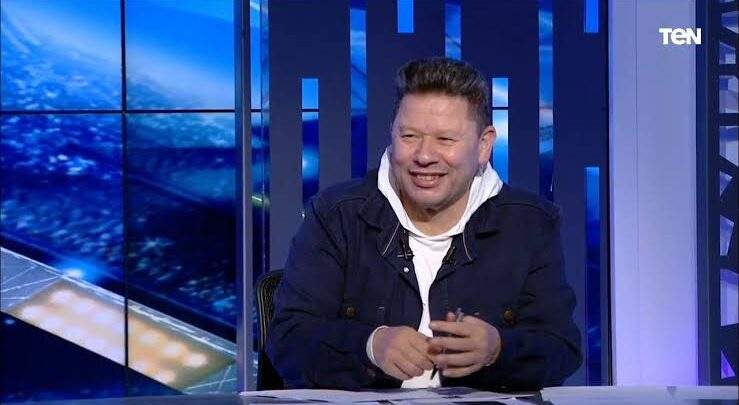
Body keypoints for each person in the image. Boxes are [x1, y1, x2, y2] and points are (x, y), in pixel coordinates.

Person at [266, 57, 581, 391]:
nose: (424, 156)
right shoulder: (337, 215)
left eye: (445, 140)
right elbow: (287, 341)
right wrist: (370, 345)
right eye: (409, 136)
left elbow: (561, 348)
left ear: (484, 145)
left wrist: (498, 349)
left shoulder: (529, 223)